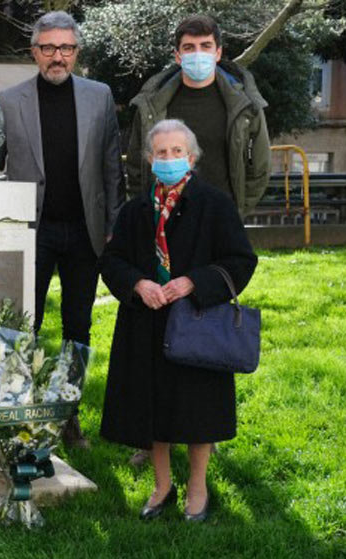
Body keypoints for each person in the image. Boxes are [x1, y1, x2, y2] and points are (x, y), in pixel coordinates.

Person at [99, 119, 257, 522]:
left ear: (192, 157)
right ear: (150, 159)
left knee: (197, 409)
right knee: (152, 410)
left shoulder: (215, 204)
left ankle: (199, 488)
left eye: (177, 152)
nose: (168, 159)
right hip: (145, 323)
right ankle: (162, 485)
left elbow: (240, 260)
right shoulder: (135, 211)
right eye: (161, 153)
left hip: (197, 322)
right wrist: (137, 284)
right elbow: (112, 262)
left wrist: (194, 282)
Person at [0, 11, 123, 448]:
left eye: (65, 48)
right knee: (22, 327)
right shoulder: (9, 101)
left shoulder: (100, 96)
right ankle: (21, 414)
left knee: (78, 328)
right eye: (48, 48)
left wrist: (111, 226)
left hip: (84, 233)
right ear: (34, 52)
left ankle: (68, 415)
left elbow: (111, 166)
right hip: (31, 231)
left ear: (76, 53)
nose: (57, 56)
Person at [126, 14, 271, 216]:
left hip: (221, 218)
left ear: (218, 53)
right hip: (166, 219)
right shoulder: (152, 104)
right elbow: (136, 166)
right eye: (189, 47)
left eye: (205, 46)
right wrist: (149, 211)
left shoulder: (244, 105)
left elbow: (259, 168)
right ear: (178, 56)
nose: (197, 53)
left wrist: (235, 211)